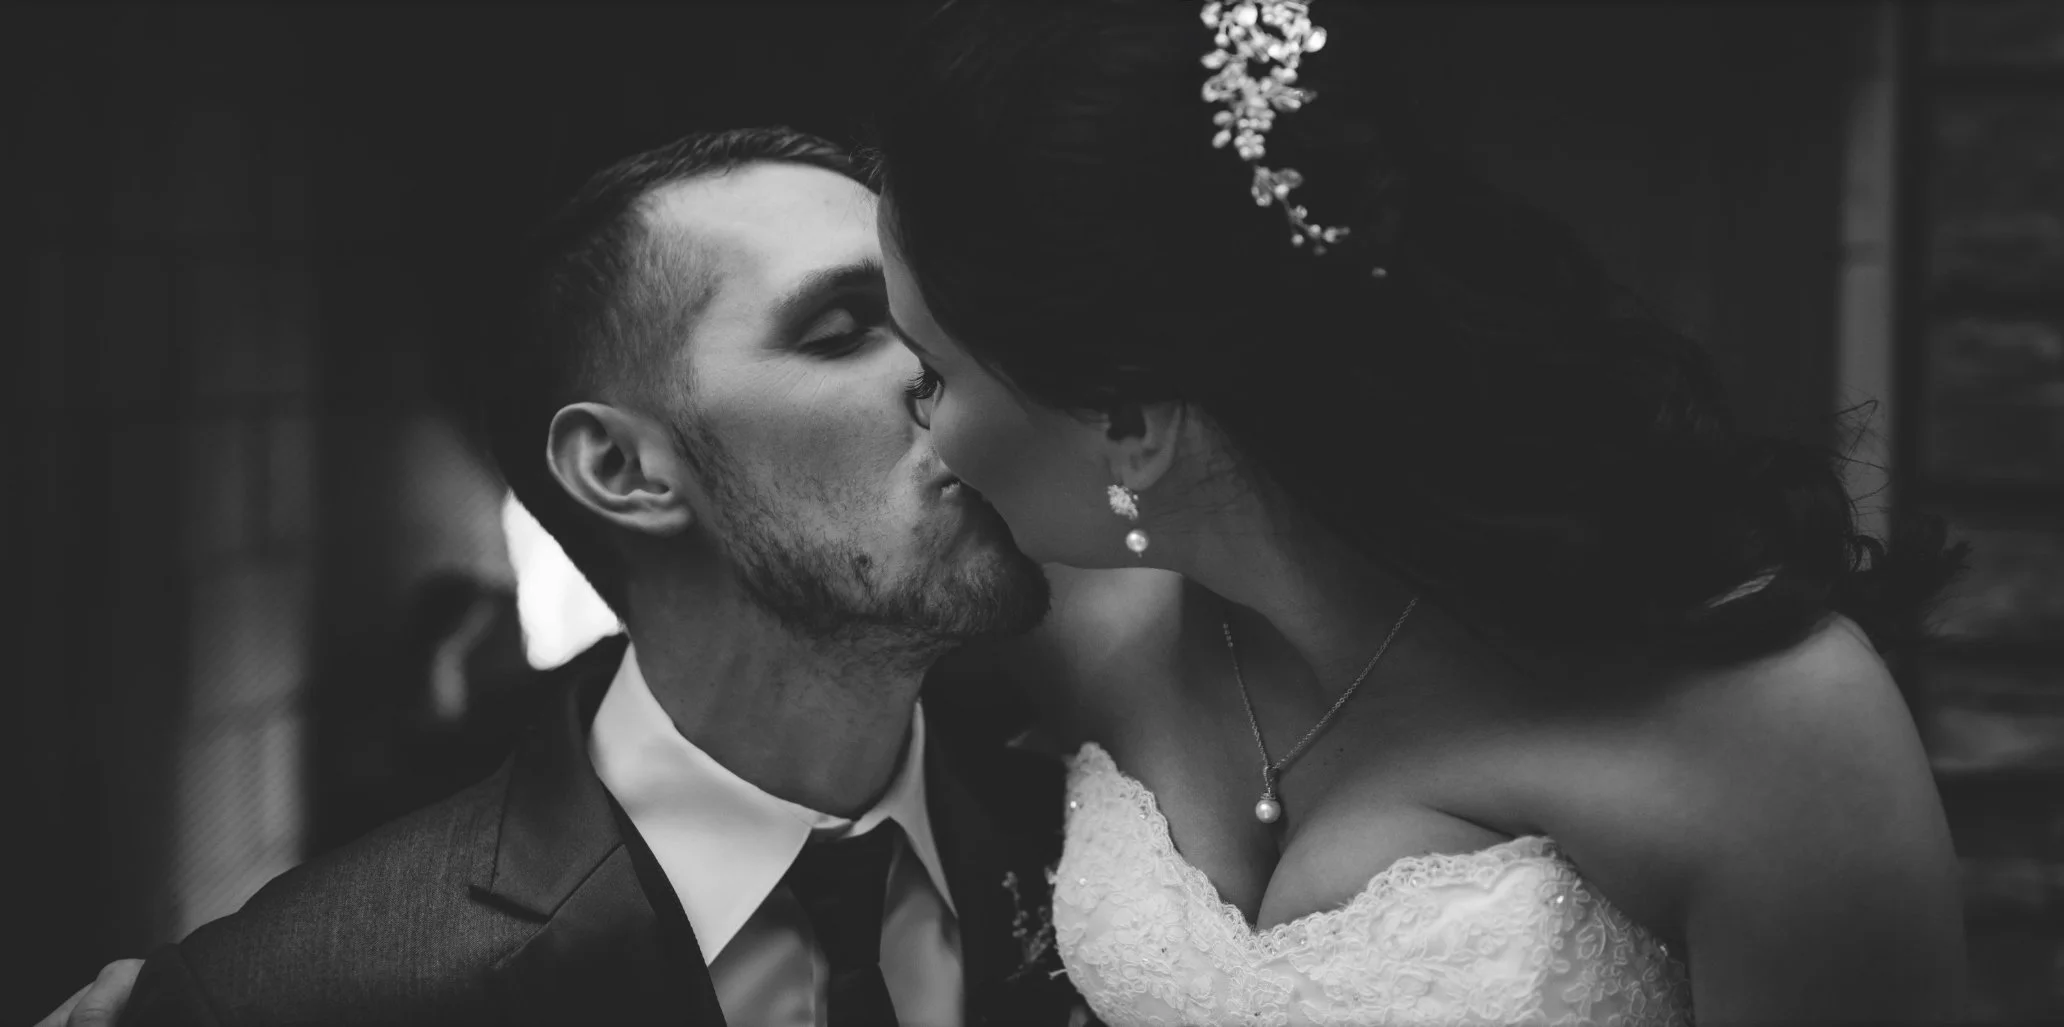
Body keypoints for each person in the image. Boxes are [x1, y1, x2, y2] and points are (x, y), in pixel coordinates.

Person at [866, 1, 1968, 1023]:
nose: (919, 425)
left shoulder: (1771, 725)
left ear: (1125, 415)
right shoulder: (1062, 615)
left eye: (933, 370)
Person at [41, 127, 1083, 1027]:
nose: (947, 370)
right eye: (842, 329)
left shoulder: (1105, 849)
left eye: (934, 319)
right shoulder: (302, 992)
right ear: (623, 470)